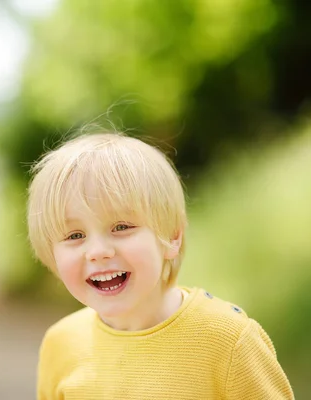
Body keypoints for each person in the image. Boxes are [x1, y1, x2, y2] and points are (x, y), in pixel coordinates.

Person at [27, 132, 294, 399]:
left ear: (171, 236)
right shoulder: (60, 344)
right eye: (75, 236)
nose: (98, 252)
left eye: (121, 227)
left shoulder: (228, 341)